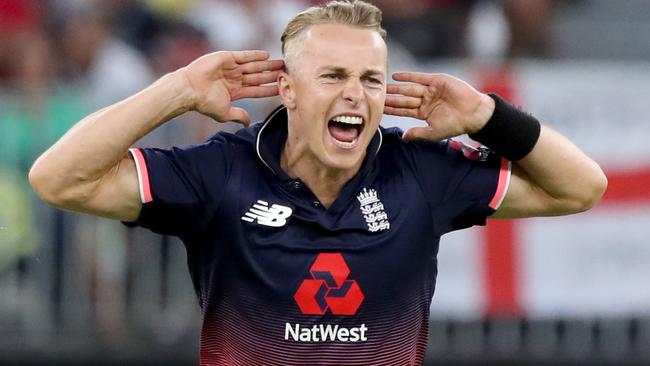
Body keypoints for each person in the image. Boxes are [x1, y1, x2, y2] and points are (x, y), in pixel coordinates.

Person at [29, 1, 607, 365]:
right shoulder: (222, 171)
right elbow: (58, 180)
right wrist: (175, 90)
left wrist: (487, 115)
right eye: (332, 76)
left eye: (370, 80)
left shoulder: (420, 171)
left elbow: (580, 187)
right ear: (288, 89)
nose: (354, 94)